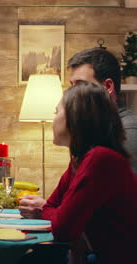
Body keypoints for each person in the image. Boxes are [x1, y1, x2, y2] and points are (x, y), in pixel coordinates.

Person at [19, 48, 137, 219]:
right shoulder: (90, 138)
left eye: (80, 85)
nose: (71, 95)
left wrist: (49, 211)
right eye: (71, 86)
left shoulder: (127, 134)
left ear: (107, 87)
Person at [43, 82, 137, 263]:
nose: (53, 120)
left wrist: (62, 218)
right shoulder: (79, 160)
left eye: (56, 112)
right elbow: (50, 206)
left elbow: (62, 228)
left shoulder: (100, 159)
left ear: (74, 117)